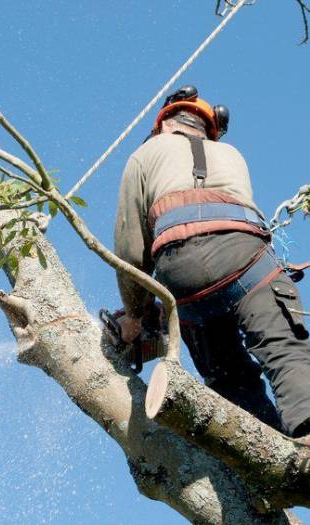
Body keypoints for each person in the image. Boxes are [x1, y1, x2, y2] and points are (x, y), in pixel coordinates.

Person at [115, 85, 310, 438]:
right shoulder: (231, 154)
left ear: (164, 124)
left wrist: (134, 316)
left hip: (180, 276)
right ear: (209, 128)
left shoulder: (145, 154)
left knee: (228, 376)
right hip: (245, 262)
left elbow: (131, 251)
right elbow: (216, 243)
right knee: (284, 348)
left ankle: (260, 450)